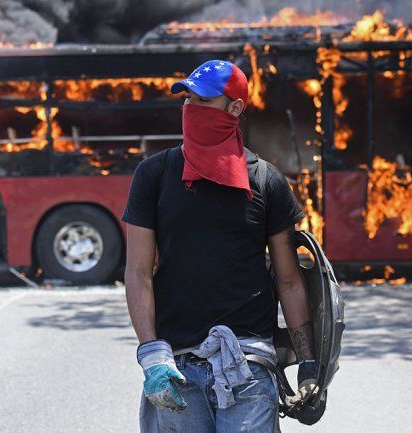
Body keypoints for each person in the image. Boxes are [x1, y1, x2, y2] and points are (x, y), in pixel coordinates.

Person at [122, 59, 318, 432]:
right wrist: (152, 354)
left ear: (235, 108)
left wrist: (308, 361)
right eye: (187, 100)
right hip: (176, 364)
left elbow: (289, 281)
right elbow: (138, 273)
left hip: (248, 364)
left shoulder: (267, 181)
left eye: (203, 101)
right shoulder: (154, 175)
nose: (191, 109)